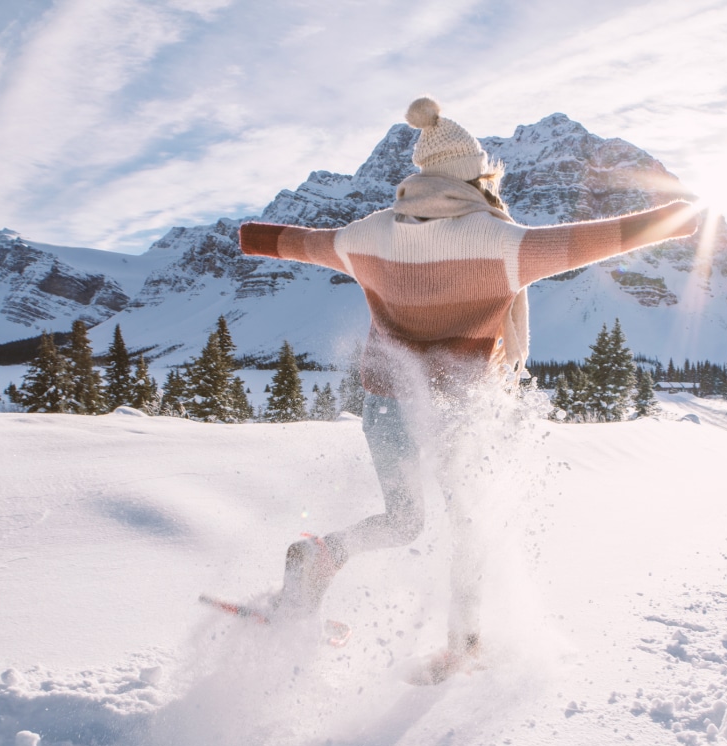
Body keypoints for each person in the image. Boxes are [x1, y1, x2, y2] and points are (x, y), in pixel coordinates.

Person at [238, 97, 697, 682]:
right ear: (477, 177)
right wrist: (680, 218)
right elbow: (595, 240)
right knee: (470, 525)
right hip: (459, 409)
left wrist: (252, 236)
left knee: (402, 520)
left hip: (385, 403)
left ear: (421, 176)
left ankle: (315, 559)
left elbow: (295, 243)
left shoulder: (366, 235)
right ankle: (463, 646)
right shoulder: (505, 244)